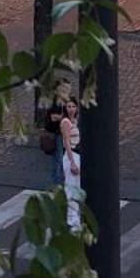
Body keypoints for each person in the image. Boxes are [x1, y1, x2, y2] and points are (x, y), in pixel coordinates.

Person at [59, 97, 84, 234]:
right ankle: (72, 220)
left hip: (77, 155)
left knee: (77, 187)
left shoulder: (75, 121)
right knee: (71, 187)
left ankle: (76, 217)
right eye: (68, 106)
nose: (71, 109)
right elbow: (67, 143)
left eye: (73, 106)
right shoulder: (66, 122)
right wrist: (72, 162)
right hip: (71, 156)